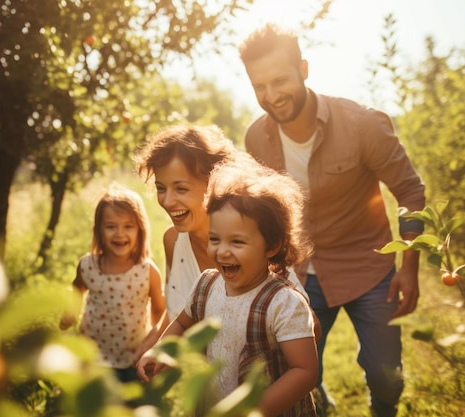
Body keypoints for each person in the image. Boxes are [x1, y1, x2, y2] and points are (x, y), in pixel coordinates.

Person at [238, 23, 426, 417]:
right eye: (260, 87)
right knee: (299, 373)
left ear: (304, 68)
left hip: (369, 270)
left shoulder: (362, 125)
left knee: (385, 374)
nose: (271, 96)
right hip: (298, 274)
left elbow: (410, 191)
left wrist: (409, 266)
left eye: (280, 80)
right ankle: (319, 403)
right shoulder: (256, 139)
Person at [136, 157, 318, 417]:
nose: (222, 251)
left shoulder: (284, 303)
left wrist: (253, 409)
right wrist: (161, 351)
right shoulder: (207, 284)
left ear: (272, 246)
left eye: (237, 242)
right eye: (214, 239)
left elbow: (304, 372)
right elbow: (182, 323)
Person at [59, 183, 165, 383]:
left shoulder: (147, 271)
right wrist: (71, 313)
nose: (119, 234)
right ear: (99, 230)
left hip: (132, 357)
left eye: (128, 226)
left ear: (140, 230)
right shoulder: (88, 265)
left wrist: (153, 343)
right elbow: (77, 289)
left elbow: (160, 311)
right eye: (111, 227)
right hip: (93, 355)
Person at [134, 124, 238, 323]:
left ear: (214, 184)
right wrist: (146, 348)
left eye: (181, 189)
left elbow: (307, 325)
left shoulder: (252, 241)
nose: (167, 201)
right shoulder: (172, 240)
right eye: (161, 188)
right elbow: (176, 316)